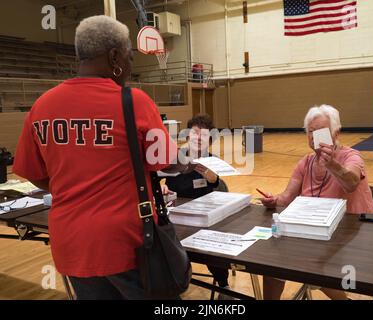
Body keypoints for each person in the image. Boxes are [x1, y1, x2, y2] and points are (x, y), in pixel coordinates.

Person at [13, 15, 192, 300]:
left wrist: (71, 188)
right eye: (129, 56)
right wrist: (187, 159)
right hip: (126, 243)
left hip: (71, 242)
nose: (131, 66)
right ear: (114, 56)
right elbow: (167, 161)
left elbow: (32, 171)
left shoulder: (41, 106)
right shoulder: (133, 100)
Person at [258, 104, 373, 300]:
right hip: (317, 232)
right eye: (310, 132)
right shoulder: (305, 162)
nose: (314, 137)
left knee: (312, 264)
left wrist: (332, 164)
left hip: (351, 234)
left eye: (320, 132)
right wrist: (273, 200)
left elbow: (351, 183)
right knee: (272, 265)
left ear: (336, 133)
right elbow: (286, 197)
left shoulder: (351, 156)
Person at [162, 114, 232, 298]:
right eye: (195, 134)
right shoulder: (173, 159)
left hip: (205, 218)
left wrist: (214, 179)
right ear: (187, 137)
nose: (198, 138)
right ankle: (173, 286)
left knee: (216, 245)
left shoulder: (213, 161)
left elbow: (224, 192)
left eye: (204, 135)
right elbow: (158, 182)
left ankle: (224, 287)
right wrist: (161, 186)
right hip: (176, 218)